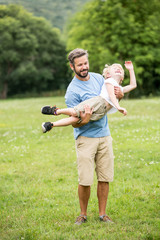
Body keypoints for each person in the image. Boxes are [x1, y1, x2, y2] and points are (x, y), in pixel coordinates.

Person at [43, 48, 124, 225]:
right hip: (85, 139)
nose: (84, 67)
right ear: (72, 66)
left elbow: (108, 103)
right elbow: (75, 121)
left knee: (105, 177)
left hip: (104, 135)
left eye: (85, 63)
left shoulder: (98, 78)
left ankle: (103, 214)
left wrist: (120, 97)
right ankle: (83, 214)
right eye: (80, 65)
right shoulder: (72, 91)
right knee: (85, 180)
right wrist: (84, 120)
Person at [41, 61, 136, 133]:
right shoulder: (109, 81)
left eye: (120, 69)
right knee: (75, 112)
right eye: (115, 68)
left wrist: (131, 69)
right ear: (108, 74)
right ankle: (56, 111)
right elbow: (111, 96)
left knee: (77, 118)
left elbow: (133, 85)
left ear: (122, 78)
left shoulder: (119, 88)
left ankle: (51, 125)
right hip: (98, 102)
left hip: (101, 111)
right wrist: (118, 107)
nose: (118, 68)